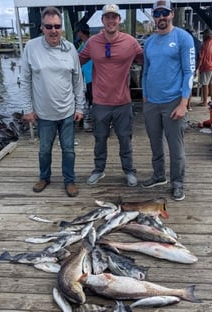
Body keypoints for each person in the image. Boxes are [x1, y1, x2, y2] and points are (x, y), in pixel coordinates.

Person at [21, 6, 84, 197]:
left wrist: (80, 107)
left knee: (69, 150)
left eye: (57, 26)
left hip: (67, 111)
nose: (53, 30)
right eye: (49, 26)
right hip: (43, 113)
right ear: (42, 27)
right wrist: (27, 108)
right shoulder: (31, 47)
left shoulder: (70, 48)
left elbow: (78, 80)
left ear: (62, 28)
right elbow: (25, 80)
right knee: (44, 150)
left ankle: (69, 180)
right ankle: (44, 177)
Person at [79, 4, 143, 187]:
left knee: (125, 139)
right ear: (102, 20)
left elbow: (146, 60)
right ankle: (99, 170)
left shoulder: (130, 42)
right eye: (107, 17)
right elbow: (76, 62)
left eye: (114, 17)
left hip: (123, 102)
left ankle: (129, 170)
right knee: (100, 140)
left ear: (119, 20)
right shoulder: (92, 43)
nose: (111, 20)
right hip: (100, 102)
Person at [141, 0, 195, 201]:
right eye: (157, 14)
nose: (161, 17)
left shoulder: (183, 38)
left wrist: (183, 103)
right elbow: (146, 71)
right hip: (151, 103)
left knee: (176, 146)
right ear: (153, 17)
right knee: (155, 143)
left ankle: (178, 182)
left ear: (171, 13)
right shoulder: (148, 42)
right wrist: (145, 94)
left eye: (164, 13)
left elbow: (189, 71)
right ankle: (158, 175)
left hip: (174, 101)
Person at [75, 23, 93, 131]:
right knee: (88, 100)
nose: (76, 34)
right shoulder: (83, 44)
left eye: (77, 32)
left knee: (92, 101)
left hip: (92, 77)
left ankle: (92, 123)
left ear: (81, 32)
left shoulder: (90, 43)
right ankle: (86, 121)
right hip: (85, 77)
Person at [185, 27, 201, 111]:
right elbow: (199, 58)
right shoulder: (197, 42)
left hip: (181, 67)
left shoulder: (181, 40)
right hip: (192, 67)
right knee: (189, 86)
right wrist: (197, 68)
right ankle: (188, 105)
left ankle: (182, 105)